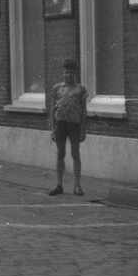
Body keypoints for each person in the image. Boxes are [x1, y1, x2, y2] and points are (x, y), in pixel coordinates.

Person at [49, 58, 88, 196]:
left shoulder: (81, 89)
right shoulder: (57, 88)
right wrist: (52, 129)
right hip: (60, 124)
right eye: (66, 72)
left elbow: (84, 111)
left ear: (75, 73)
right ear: (63, 73)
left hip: (74, 125)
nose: (68, 75)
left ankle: (77, 185)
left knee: (75, 154)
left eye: (71, 72)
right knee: (60, 154)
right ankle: (59, 185)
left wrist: (83, 130)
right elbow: (52, 110)